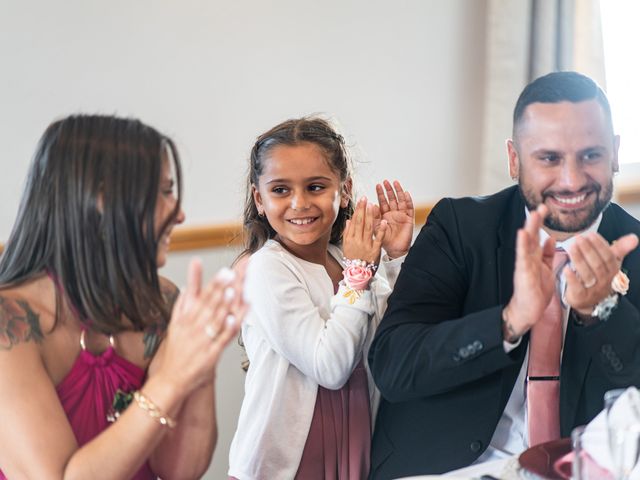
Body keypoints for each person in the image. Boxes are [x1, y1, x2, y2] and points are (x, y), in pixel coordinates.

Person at [368, 71, 640, 478]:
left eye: (591, 155)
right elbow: (394, 365)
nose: (571, 179)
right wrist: (508, 322)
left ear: (615, 153)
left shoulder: (633, 245)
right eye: (549, 158)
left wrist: (599, 312)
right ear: (514, 160)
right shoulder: (460, 227)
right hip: (448, 470)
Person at [0, 114, 247, 479]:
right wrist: (172, 380)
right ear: (101, 197)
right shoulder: (11, 322)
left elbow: (180, 470)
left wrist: (201, 362)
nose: (179, 214)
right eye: (163, 192)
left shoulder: (159, 303)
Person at [227, 117, 414, 480]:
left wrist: (394, 259)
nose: (299, 203)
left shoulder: (345, 259)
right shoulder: (266, 268)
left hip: (354, 445)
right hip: (283, 467)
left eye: (315, 186)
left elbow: (391, 341)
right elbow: (330, 367)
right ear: (258, 199)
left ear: (344, 191)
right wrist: (360, 270)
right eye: (280, 190)